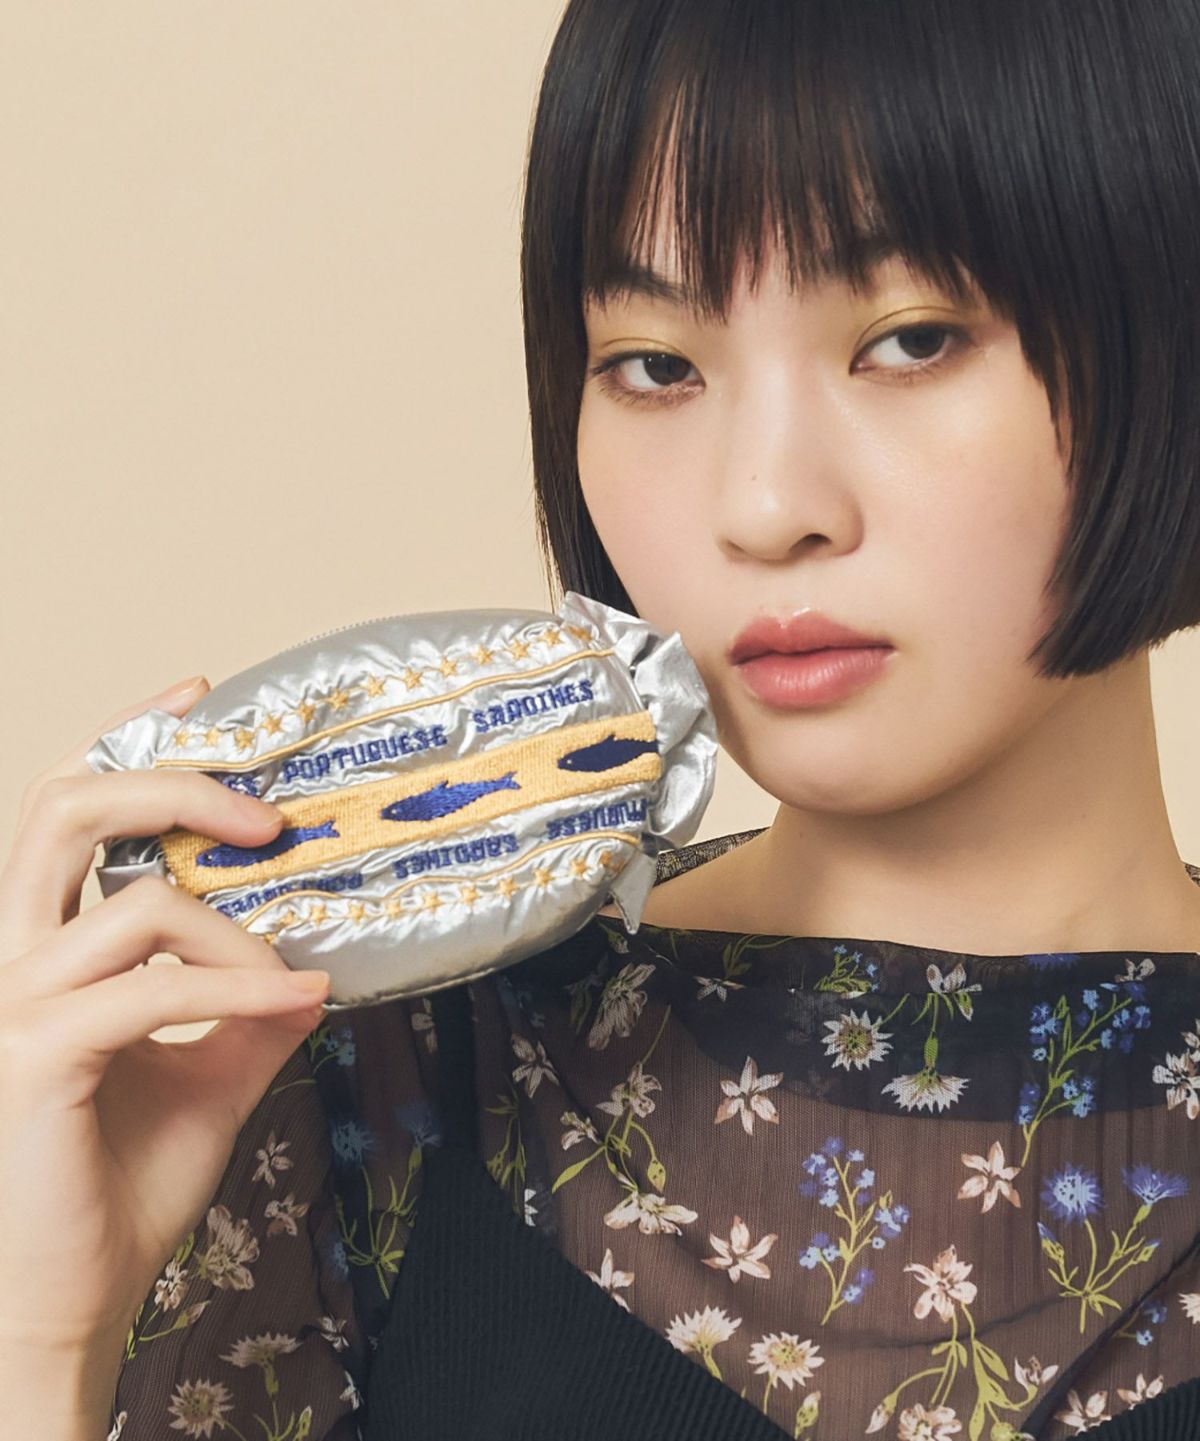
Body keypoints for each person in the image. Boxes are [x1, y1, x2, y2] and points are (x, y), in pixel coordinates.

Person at [3, 0, 1200, 1437]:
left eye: (911, 338)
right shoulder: (404, 1065)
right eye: (654, 365)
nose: (764, 505)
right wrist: (46, 1342)